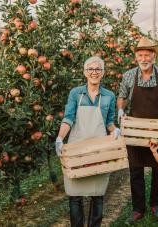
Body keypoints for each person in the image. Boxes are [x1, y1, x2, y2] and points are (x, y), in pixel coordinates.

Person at [117, 37, 158, 224]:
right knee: (135, 169)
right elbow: (122, 96)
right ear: (136, 57)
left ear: (154, 56)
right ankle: (138, 208)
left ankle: (156, 204)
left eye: (147, 55)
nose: (144, 58)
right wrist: (121, 111)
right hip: (135, 130)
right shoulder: (129, 76)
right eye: (140, 55)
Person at [55, 56, 120, 227]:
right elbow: (68, 119)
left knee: (97, 193)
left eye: (98, 69)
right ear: (85, 72)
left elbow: (109, 122)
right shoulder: (76, 93)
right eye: (90, 69)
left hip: (99, 149)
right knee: (75, 193)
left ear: (103, 73)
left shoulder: (109, 96)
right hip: (77, 148)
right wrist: (60, 138)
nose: (94, 72)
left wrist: (115, 130)